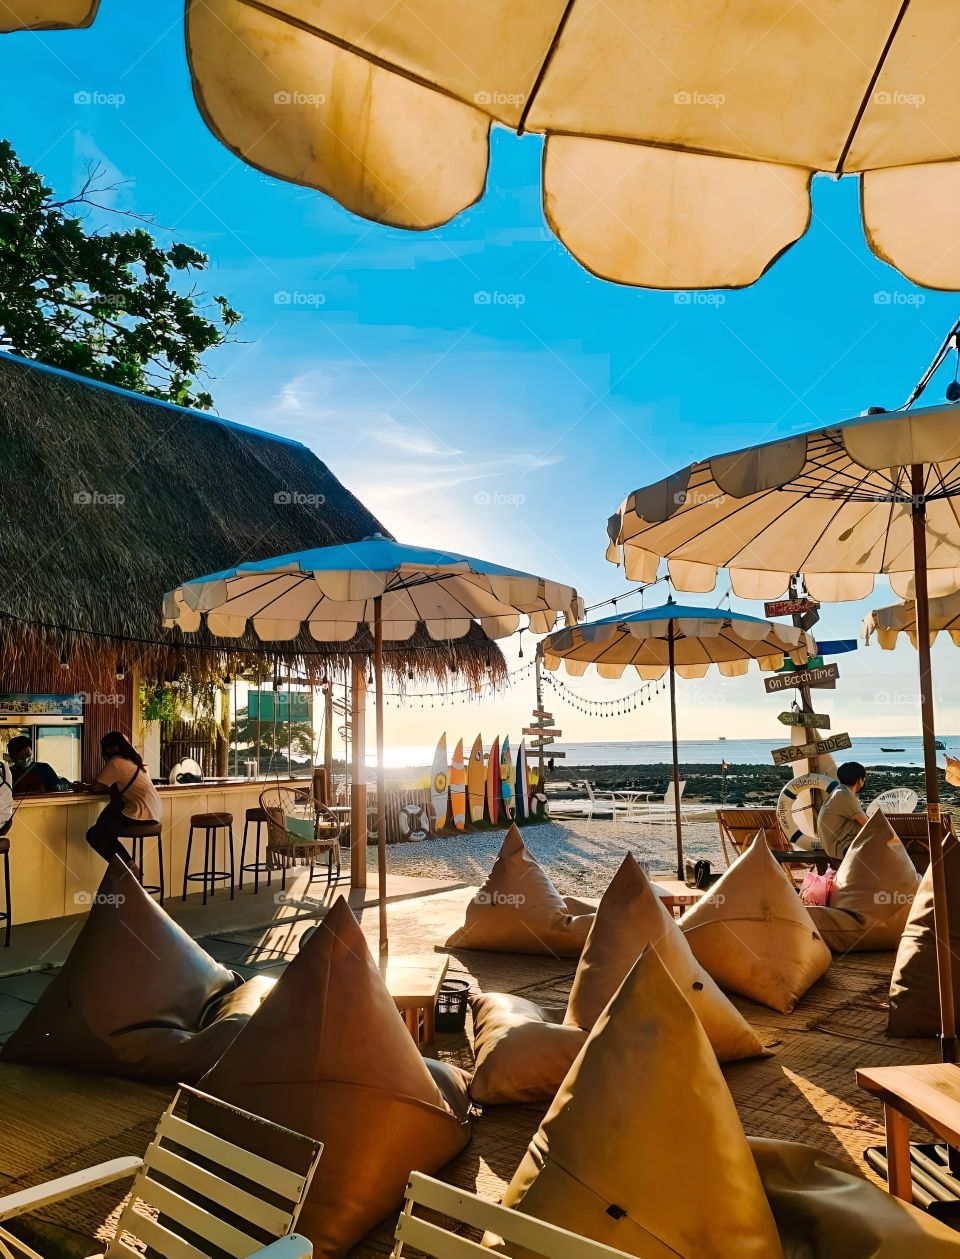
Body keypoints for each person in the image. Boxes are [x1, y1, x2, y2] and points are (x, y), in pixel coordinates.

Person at [75, 731, 162, 864]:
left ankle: (128, 867)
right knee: (103, 829)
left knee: (95, 834)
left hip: (139, 812)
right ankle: (127, 867)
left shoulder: (116, 762)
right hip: (154, 812)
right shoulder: (136, 761)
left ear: (113, 748)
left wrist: (84, 786)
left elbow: (97, 787)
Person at [817, 761, 868, 859]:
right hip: (841, 847)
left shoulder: (839, 792)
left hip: (835, 845)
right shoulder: (844, 795)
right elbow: (867, 824)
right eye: (864, 778)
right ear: (859, 779)